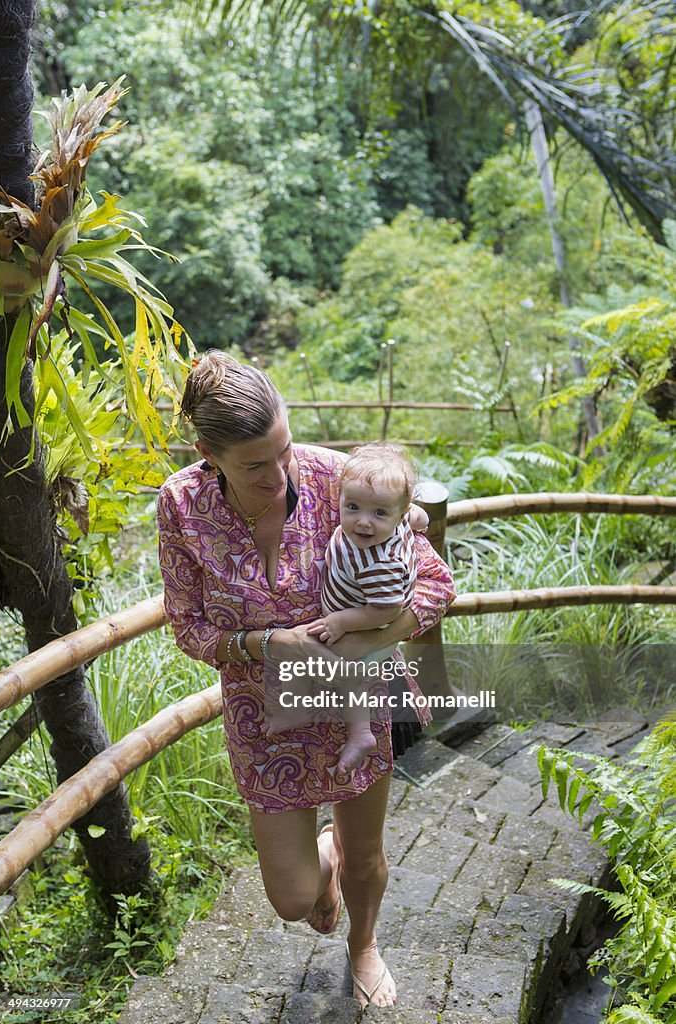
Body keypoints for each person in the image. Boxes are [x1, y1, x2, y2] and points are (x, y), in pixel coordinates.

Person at [157, 350, 456, 1009]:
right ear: (208, 452)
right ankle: (324, 863)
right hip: (263, 717)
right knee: (291, 899)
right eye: (254, 465)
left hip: (356, 702)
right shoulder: (180, 506)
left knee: (366, 853)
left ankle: (364, 945)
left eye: (283, 450)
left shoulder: (338, 479)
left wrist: (372, 639)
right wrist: (265, 643)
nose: (278, 474)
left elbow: (434, 586)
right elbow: (188, 629)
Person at [303, 442, 430, 779]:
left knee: (345, 672)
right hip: (362, 604)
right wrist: (417, 516)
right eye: (353, 506)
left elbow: (387, 611)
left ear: (398, 514)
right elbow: (421, 516)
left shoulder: (380, 563)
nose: (363, 522)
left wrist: (342, 621)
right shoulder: (405, 519)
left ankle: (360, 734)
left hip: (369, 624)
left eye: (379, 513)